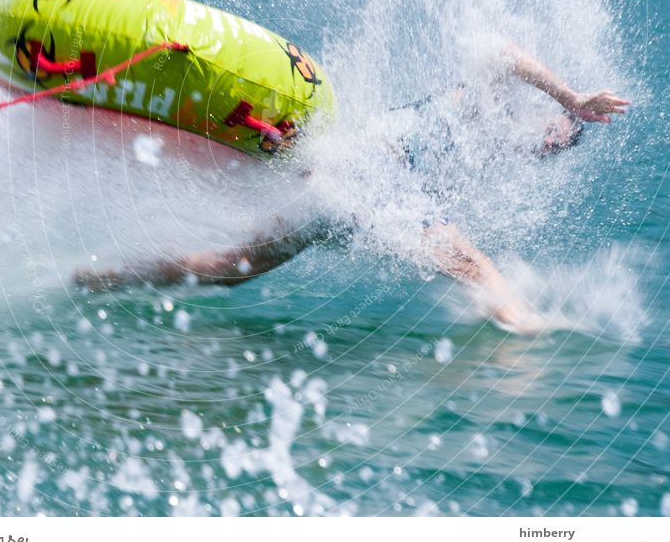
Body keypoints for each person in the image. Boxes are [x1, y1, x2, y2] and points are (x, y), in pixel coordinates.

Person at [76, 43, 629, 334]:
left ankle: (99, 277)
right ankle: (529, 339)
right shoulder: (487, 102)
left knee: (232, 267)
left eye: (563, 146)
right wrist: (572, 96)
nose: (555, 143)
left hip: (345, 187)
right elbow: (503, 55)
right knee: (476, 267)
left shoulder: (500, 152)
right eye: (560, 130)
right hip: (371, 174)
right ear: (546, 113)